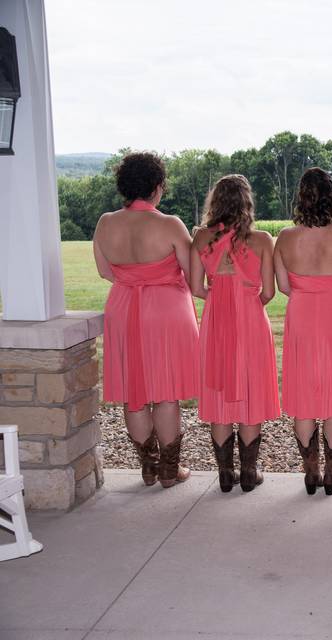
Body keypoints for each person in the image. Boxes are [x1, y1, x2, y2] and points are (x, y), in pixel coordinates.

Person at [94, 151, 197, 488]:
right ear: (157, 186)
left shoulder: (106, 223)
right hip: (166, 311)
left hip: (124, 308)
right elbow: (193, 273)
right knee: (166, 392)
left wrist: (134, 280)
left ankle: (149, 468)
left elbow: (105, 271)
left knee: (133, 393)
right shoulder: (170, 224)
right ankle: (169, 471)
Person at [191, 174, 280, 493]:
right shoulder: (262, 240)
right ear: (247, 203)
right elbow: (269, 292)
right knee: (252, 389)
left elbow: (195, 287)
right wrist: (245, 298)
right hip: (251, 317)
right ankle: (248, 472)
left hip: (216, 318)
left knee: (217, 393)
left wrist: (218, 296)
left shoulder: (201, 237)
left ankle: (225, 473)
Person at [275, 169, 332, 496]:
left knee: (304, 396)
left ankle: (310, 473)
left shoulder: (284, 237)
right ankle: (331, 475)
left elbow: (283, 286)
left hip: (302, 315)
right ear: (331, 195)